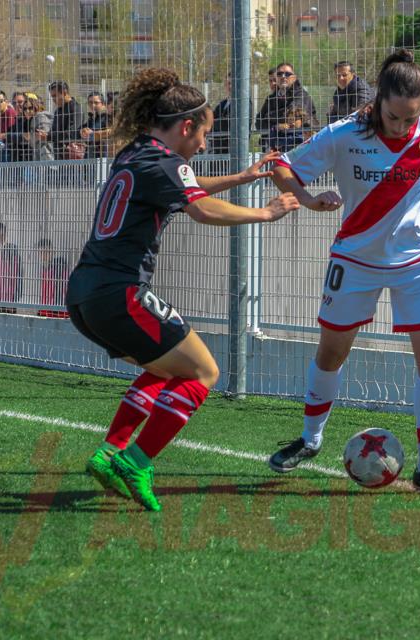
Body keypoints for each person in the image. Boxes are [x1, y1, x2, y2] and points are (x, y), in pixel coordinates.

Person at [65, 67, 300, 511]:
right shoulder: (164, 162)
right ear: (186, 126)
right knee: (204, 372)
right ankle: (136, 460)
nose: (204, 146)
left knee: (165, 368)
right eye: (204, 135)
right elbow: (201, 208)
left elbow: (185, 184)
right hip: (121, 293)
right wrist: (265, 214)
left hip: (83, 294)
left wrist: (241, 178)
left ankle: (111, 451)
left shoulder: (137, 153)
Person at [267, 49, 420, 496]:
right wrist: (308, 200)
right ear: (378, 100)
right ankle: (310, 441)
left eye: (412, 117)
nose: (404, 125)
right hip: (356, 257)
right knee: (332, 353)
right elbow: (282, 167)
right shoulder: (343, 133)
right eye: (394, 116)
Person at [255, 62, 317, 152]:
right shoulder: (270, 98)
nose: (283, 76)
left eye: (288, 74)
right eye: (280, 74)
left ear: (294, 78)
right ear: (276, 77)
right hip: (273, 149)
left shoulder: (302, 95)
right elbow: (259, 123)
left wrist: (269, 116)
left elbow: (291, 115)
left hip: (298, 148)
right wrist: (276, 126)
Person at [48, 80, 84, 160]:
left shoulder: (75, 108)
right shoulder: (58, 111)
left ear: (64, 93)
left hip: (72, 157)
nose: (53, 99)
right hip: (59, 157)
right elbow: (53, 132)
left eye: (55, 96)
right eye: (52, 97)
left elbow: (73, 132)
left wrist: (49, 136)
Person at [36, 238, 70, 318]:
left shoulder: (60, 267)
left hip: (58, 311)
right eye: (41, 252)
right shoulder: (44, 268)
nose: (44, 255)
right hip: (46, 310)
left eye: (46, 252)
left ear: (52, 252)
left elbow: (63, 290)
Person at [79, 91, 111, 158]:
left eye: (96, 103)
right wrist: (82, 131)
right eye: (90, 103)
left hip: (103, 156)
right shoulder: (92, 118)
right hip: (90, 155)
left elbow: (110, 132)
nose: (93, 105)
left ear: (103, 104)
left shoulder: (108, 117)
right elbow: (81, 129)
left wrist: (92, 134)